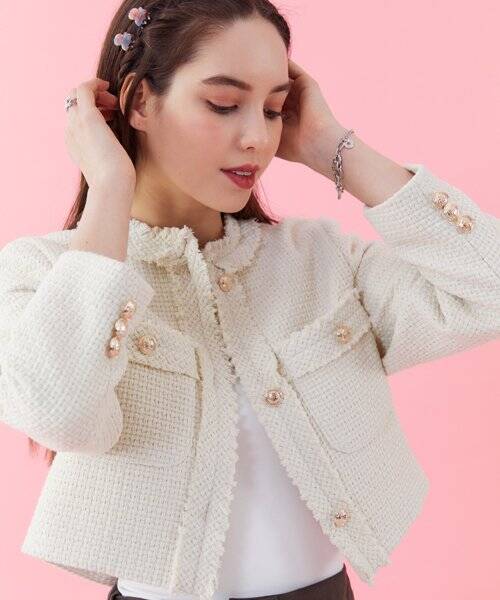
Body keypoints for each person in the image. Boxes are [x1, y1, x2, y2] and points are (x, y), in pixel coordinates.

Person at [0, 1, 499, 600]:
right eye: (223, 103)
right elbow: (60, 413)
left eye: (273, 109)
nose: (258, 138)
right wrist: (110, 186)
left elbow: (489, 291)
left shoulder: (320, 260)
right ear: (138, 101)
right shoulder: (45, 272)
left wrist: (332, 147)